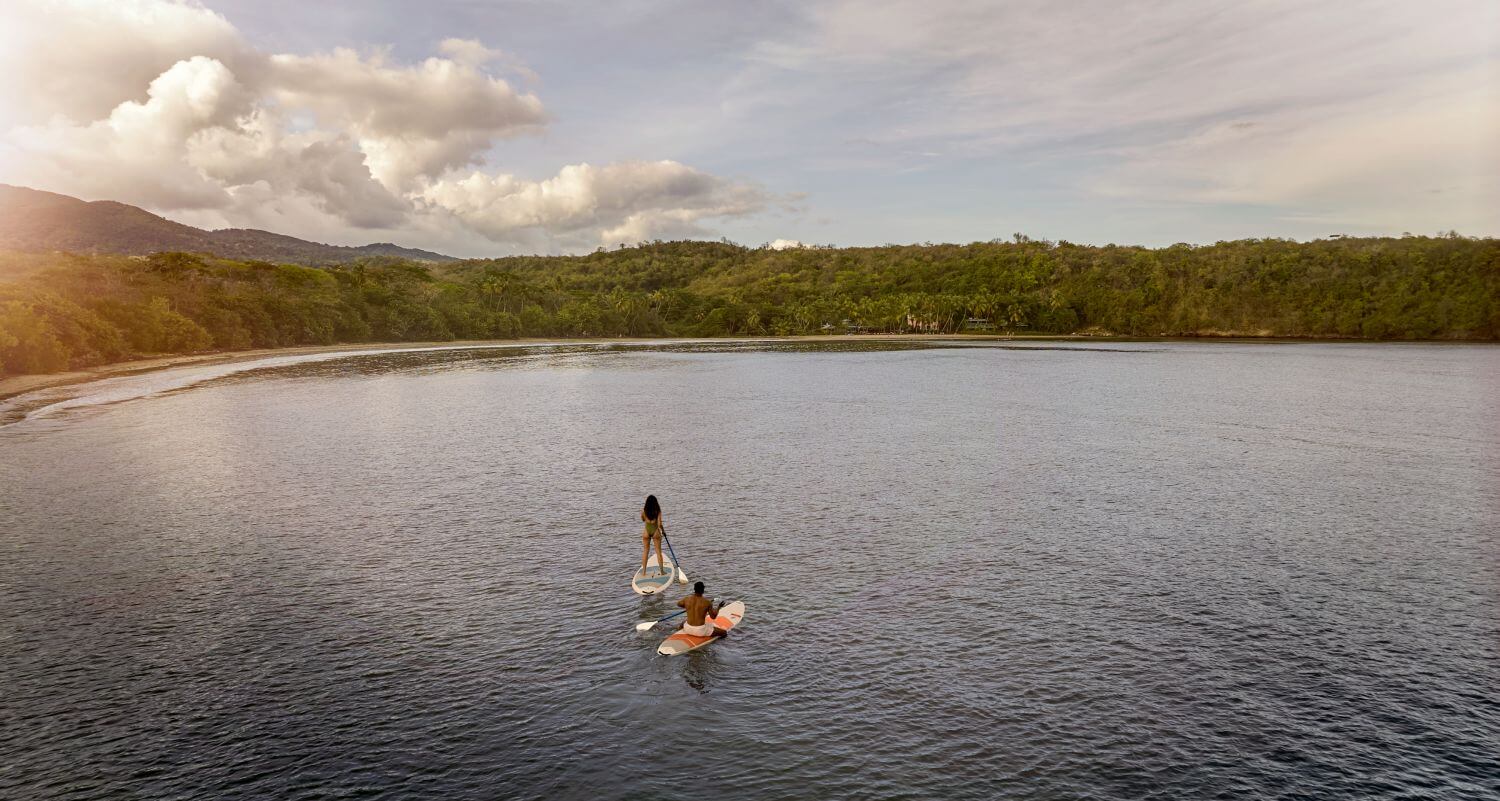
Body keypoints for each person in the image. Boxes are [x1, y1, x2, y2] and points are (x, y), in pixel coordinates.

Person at [640, 494, 669, 577]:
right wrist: (663, 531)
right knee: (658, 552)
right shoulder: (658, 511)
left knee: (645, 551)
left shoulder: (644, 511)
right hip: (656, 532)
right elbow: (660, 524)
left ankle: (644, 572)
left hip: (646, 532)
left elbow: (642, 519)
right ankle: (662, 572)